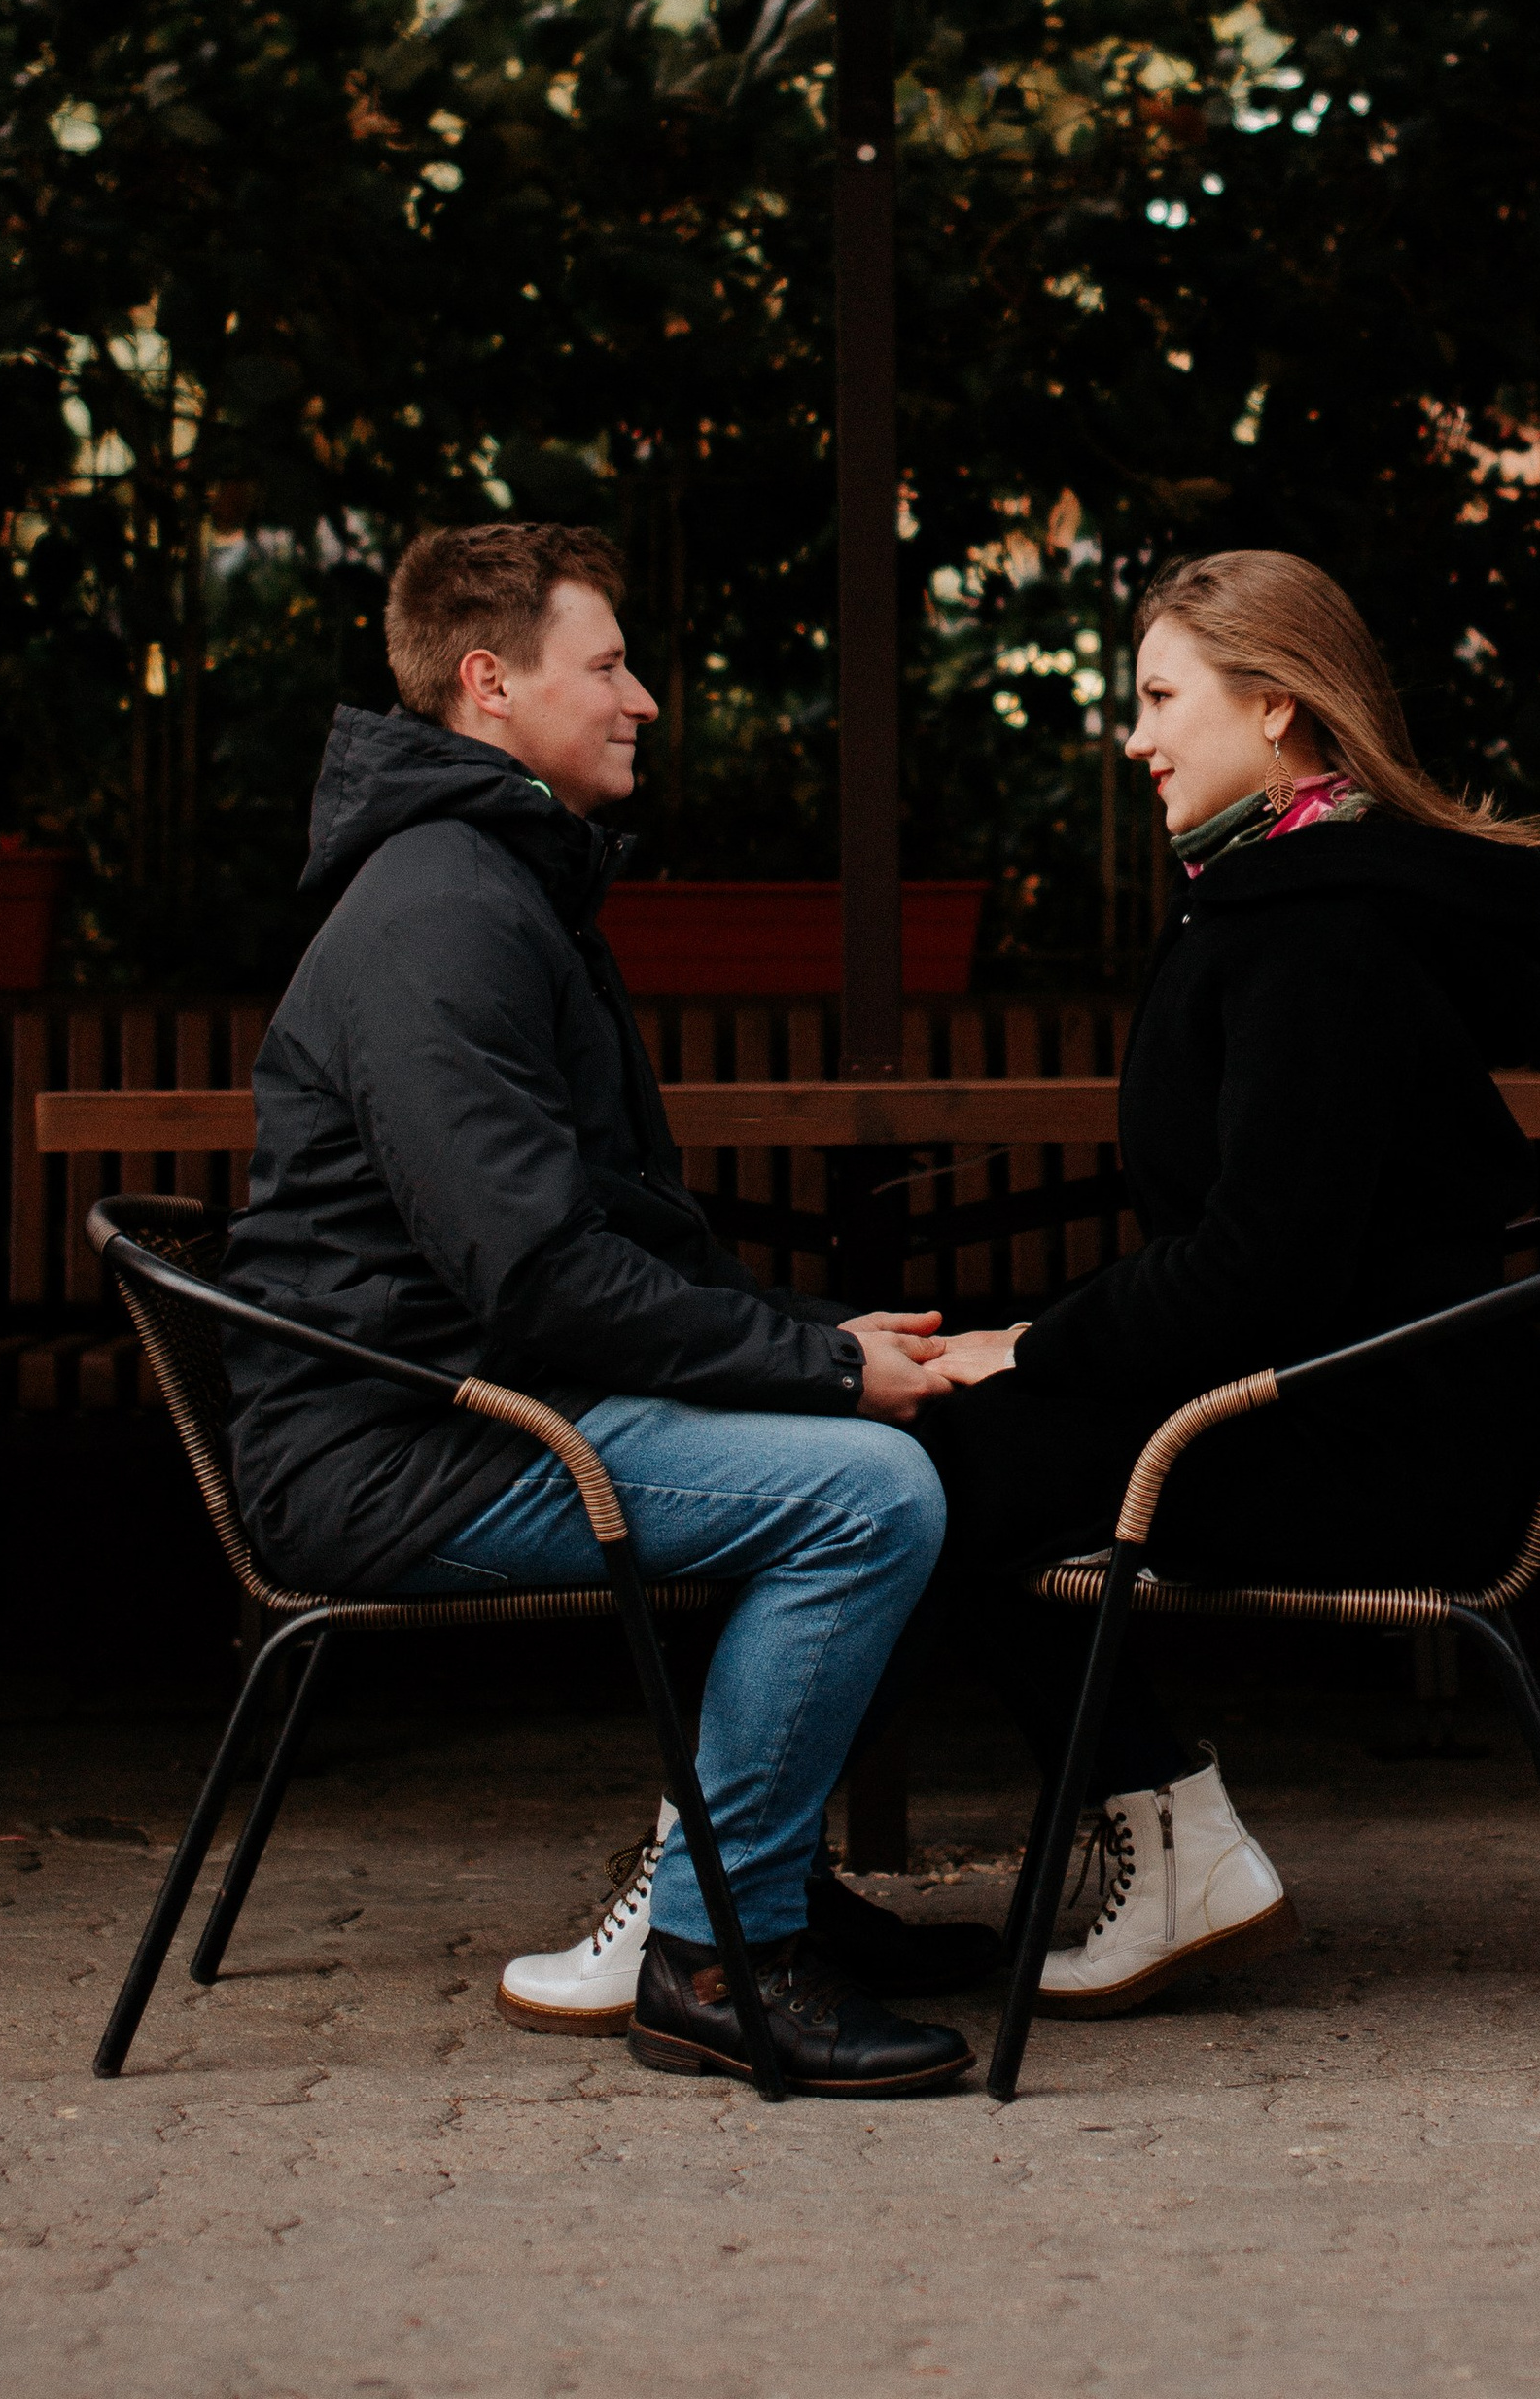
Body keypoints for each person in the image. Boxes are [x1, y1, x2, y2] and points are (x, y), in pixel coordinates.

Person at [222, 518, 991, 2098]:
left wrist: (825, 1348)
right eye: (611, 664)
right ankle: (716, 1967)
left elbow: (596, 1241)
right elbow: (538, 1270)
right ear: (489, 685)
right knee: (864, 1498)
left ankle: (762, 1888)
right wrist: (819, 1377)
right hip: (401, 1444)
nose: (644, 697)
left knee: (930, 1436)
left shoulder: (505, 880)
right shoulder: (443, 909)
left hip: (473, 1395)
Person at [920, 547, 1540, 2020]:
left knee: (928, 1475)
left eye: (1160, 697)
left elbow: (1262, 1263)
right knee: (934, 1450)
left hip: (1379, 1442)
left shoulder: (1315, 929)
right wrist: (1038, 1342)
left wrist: (1034, 1351)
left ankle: (725, 1881)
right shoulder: (1281, 891)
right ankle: (1161, 1833)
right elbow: (1257, 1253)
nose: (1134, 737)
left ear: (1277, 706)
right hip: (1329, 1394)